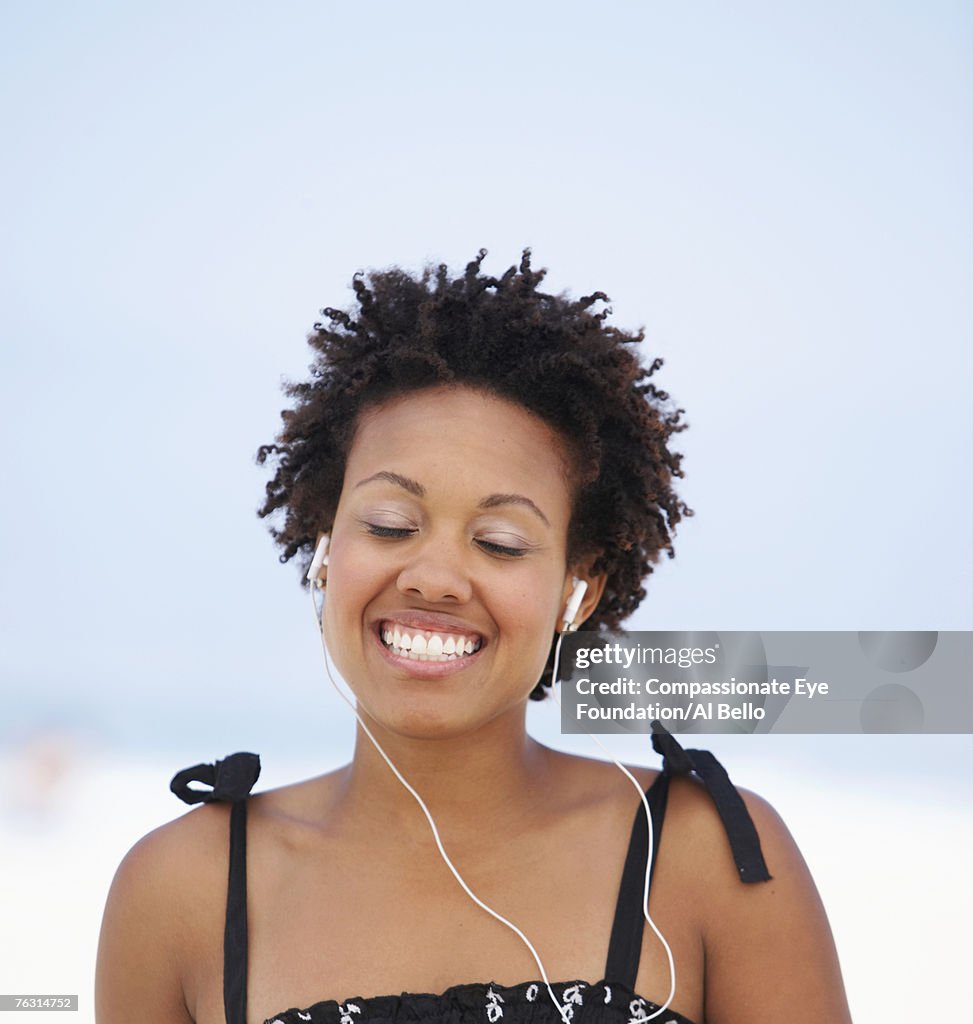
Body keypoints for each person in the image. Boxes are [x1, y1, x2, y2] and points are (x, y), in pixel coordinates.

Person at [95, 251, 851, 1024]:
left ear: (576, 589)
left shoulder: (706, 855)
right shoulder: (181, 887)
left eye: (500, 542)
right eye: (391, 525)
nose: (436, 577)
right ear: (326, 549)